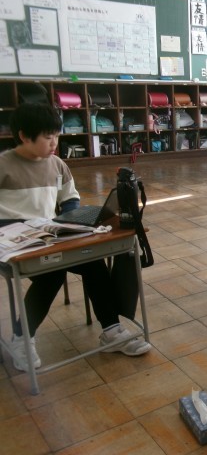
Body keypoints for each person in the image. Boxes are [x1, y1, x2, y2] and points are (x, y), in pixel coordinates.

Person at [0, 103, 151, 372]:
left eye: (57, 136)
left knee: (92, 260)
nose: (54, 143)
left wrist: (71, 221)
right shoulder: (3, 165)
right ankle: (21, 338)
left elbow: (69, 200)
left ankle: (111, 330)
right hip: (13, 244)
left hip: (48, 236)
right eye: (48, 137)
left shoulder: (57, 164)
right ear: (24, 136)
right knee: (53, 272)